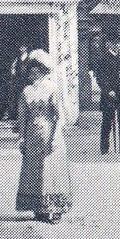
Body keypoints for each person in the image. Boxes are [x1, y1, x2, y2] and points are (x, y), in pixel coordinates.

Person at [14, 50, 73, 222]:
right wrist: (22, 138)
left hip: (50, 132)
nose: (33, 73)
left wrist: (55, 137)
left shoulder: (52, 89)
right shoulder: (26, 91)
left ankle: (55, 208)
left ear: (43, 71)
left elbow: (58, 115)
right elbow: (22, 116)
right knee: (34, 169)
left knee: (51, 169)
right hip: (32, 134)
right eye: (31, 70)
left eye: (37, 69)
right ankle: (38, 206)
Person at [94, 33, 120, 154]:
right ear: (108, 45)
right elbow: (100, 78)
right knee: (107, 121)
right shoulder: (102, 59)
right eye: (113, 43)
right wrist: (108, 90)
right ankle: (104, 147)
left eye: (117, 43)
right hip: (109, 95)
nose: (116, 45)